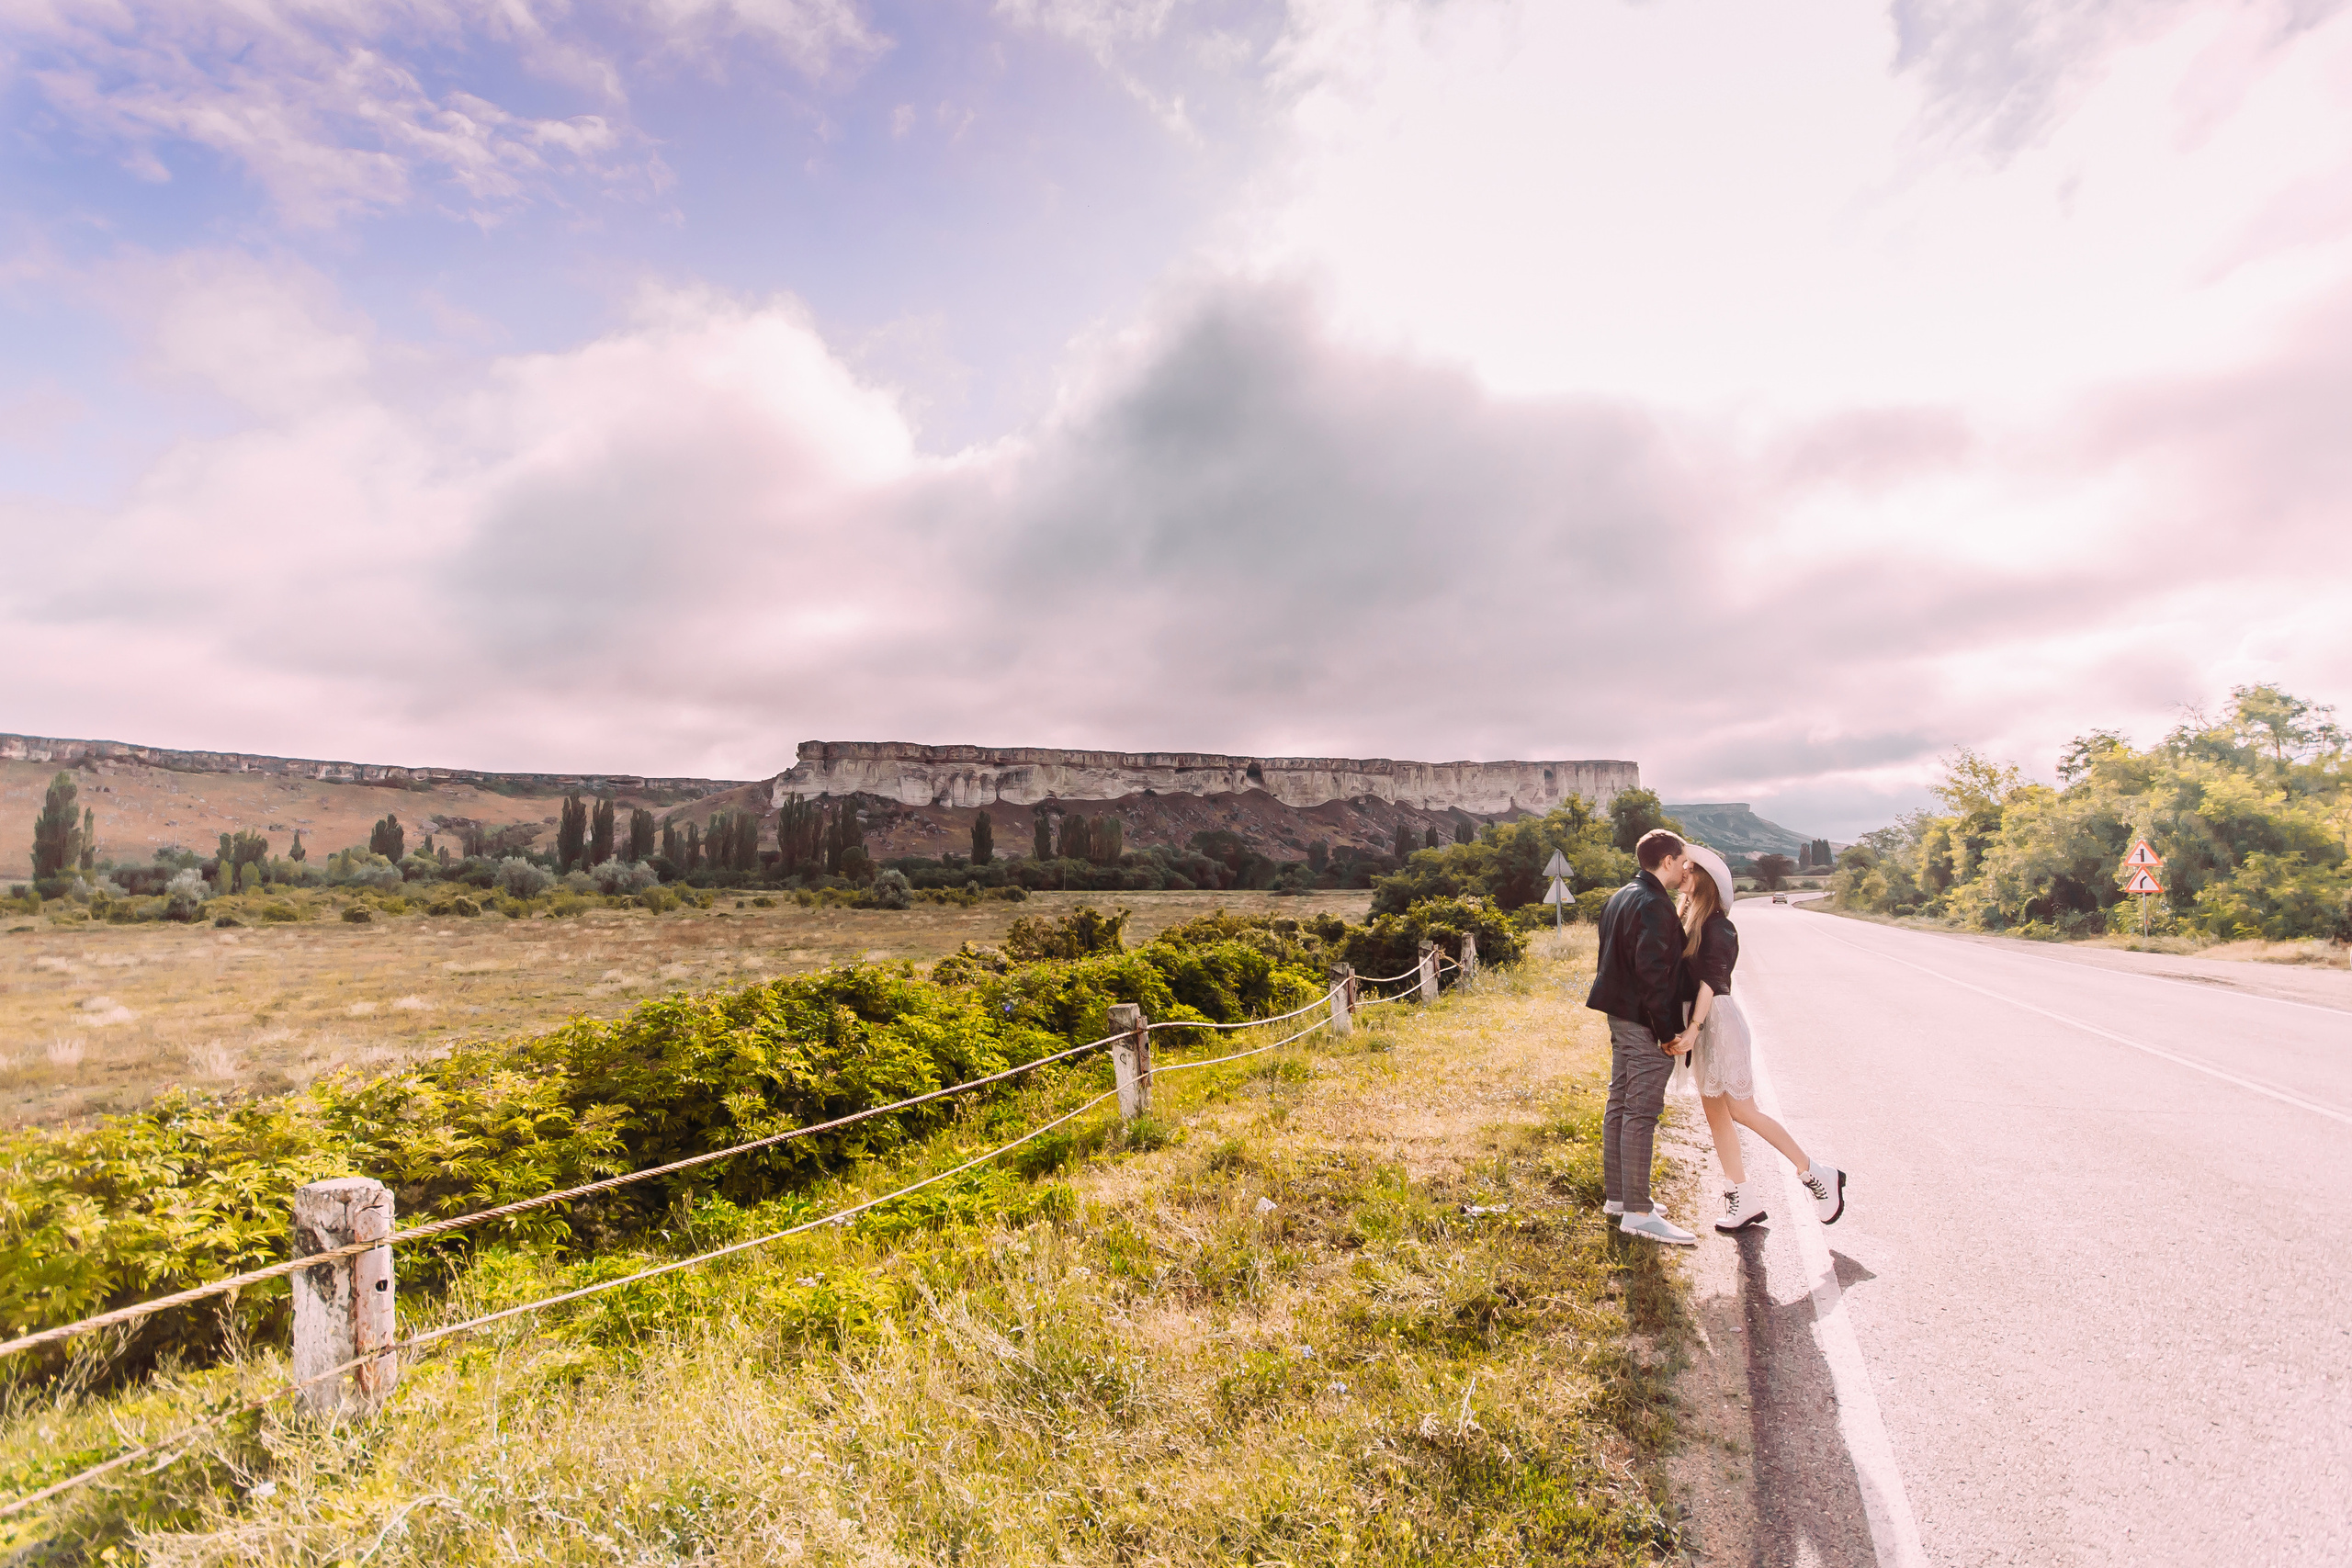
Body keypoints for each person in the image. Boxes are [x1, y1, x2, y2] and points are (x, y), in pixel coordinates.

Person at [1668, 843, 1848, 1231]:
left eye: (1688, 869)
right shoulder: (1689, 921)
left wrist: (1693, 1030)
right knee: (1715, 1116)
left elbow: (1712, 982)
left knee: (1741, 1110)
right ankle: (1742, 1197)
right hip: (1699, 1022)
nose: (1682, 873)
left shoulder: (1719, 926)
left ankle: (1815, 1173)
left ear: (1703, 880)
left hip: (1717, 1021)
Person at [1585, 827, 1699, 1245]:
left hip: (1619, 1015)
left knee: (1620, 1102)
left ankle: (1619, 1198)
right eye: (1683, 861)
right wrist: (1667, 1031)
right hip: (1642, 1020)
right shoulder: (1654, 903)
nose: (1686, 868)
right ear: (1666, 861)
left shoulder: (1621, 895)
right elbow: (1653, 973)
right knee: (1641, 1112)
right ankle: (1637, 1212)